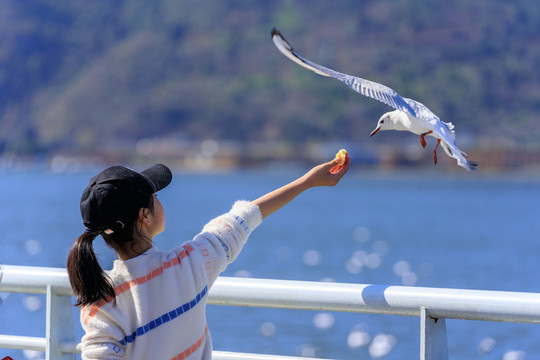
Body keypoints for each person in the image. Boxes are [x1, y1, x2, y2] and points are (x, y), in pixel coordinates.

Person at [67, 155, 350, 360]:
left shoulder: (100, 301)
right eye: (154, 196)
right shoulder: (190, 264)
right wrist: (308, 181)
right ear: (145, 216)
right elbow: (245, 217)